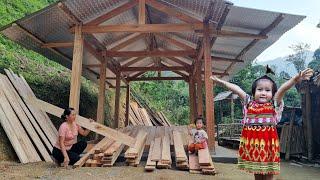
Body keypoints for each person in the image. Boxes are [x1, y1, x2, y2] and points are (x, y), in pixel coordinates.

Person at [210, 67, 313, 180]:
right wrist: (221, 82)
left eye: (267, 90)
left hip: (268, 147)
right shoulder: (249, 103)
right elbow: (237, 89)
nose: (263, 93)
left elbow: (283, 89)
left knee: (268, 174)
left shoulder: (274, 104)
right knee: (257, 174)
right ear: (254, 93)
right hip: (253, 147)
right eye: (260, 89)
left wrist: (295, 79)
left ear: (272, 93)